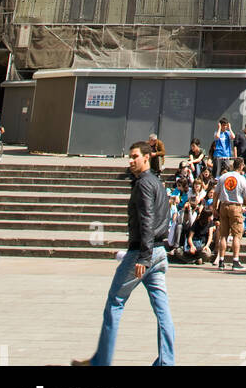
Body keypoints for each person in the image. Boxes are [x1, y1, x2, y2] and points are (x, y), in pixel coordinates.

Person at [73, 142, 175, 366]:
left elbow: (147, 220)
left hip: (143, 252)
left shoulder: (144, 184)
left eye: (135, 156)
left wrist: (144, 257)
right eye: (130, 156)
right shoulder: (157, 182)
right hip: (159, 251)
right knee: (162, 309)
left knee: (115, 302)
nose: (130, 160)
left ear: (147, 157)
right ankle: (167, 362)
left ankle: (101, 362)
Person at [214, 156, 246, 272]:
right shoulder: (241, 179)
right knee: (236, 234)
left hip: (223, 205)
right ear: (241, 166)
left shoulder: (223, 177)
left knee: (223, 234)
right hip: (235, 206)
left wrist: (214, 207)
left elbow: (216, 193)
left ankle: (221, 260)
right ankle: (235, 260)